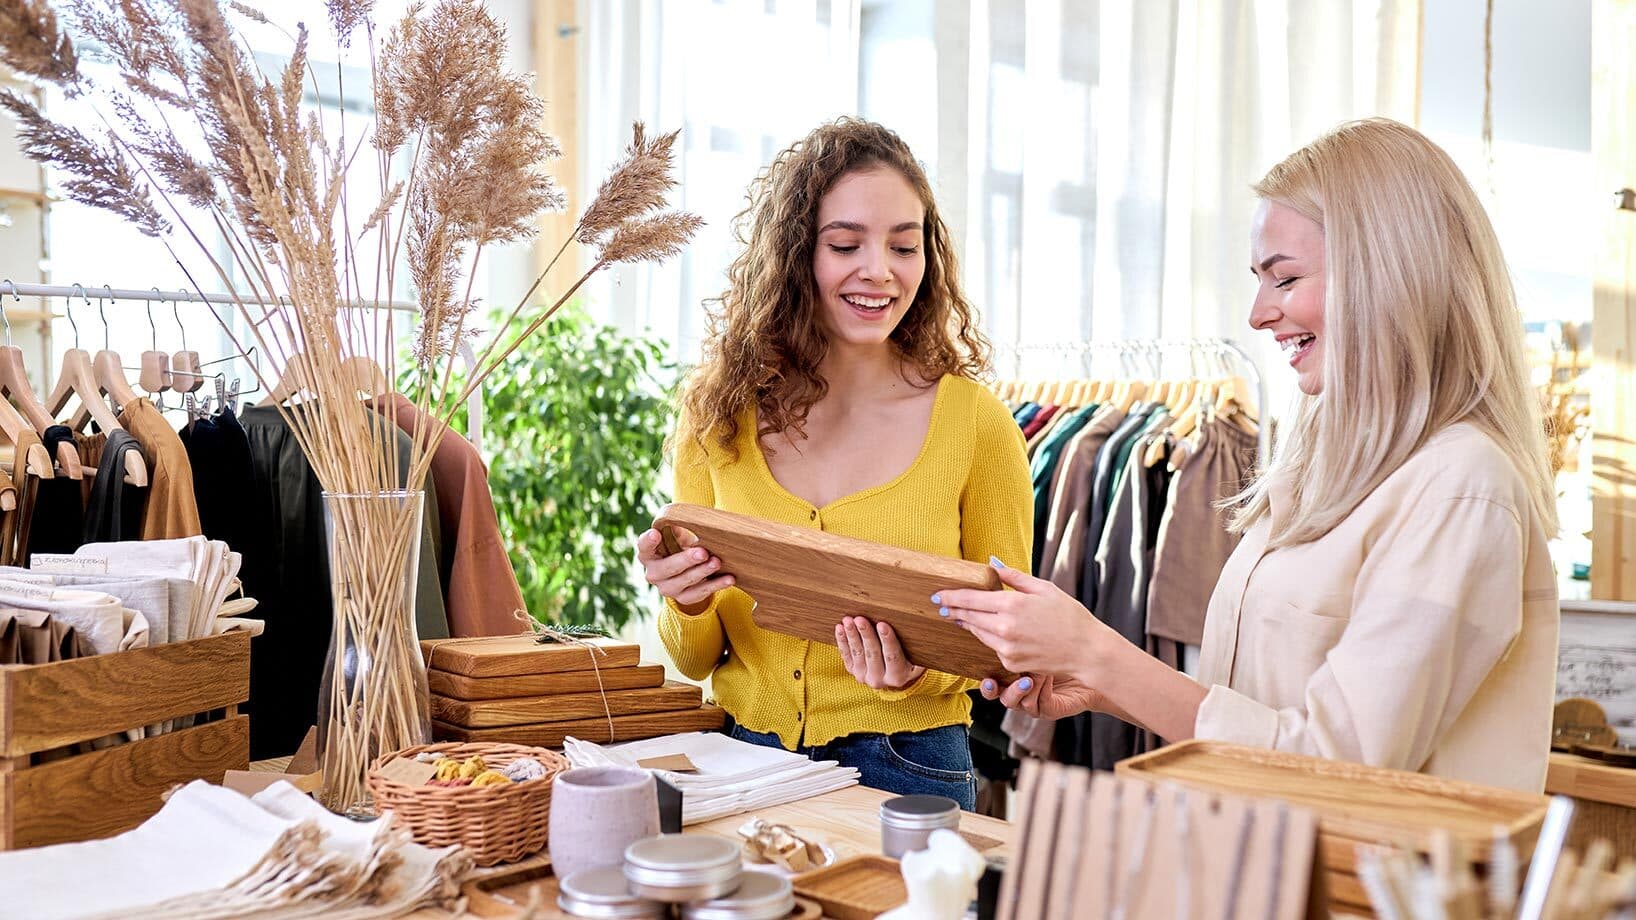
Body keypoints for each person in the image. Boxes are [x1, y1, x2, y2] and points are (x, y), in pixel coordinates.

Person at [933, 118, 1560, 793]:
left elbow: (1339, 763)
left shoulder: (1461, 487)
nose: (1260, 314)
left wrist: (1102, 655)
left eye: (1284, 280)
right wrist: (1096, 685)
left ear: (1386, 276)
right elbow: (1255, 712)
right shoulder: (1321, 466)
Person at [634, 119, 1033, 808]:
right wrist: (686, 598)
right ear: (794, 257)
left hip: (913, 766)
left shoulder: (976, 423)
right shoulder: (716, 418)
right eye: (845, 244)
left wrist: (917, 677)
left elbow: (1003, 640)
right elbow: (695, 657)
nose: (879, 269)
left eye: (904, 246)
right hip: (746, 758)